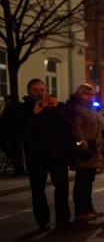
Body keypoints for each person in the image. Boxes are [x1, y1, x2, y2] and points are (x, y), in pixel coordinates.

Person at [21, 79, 74, 230]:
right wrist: (34, 113)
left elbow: (70, 122)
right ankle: (42, 221)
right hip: (36, 156)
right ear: (29, 91)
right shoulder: (24, 108)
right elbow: (21, 129)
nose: (39, 93)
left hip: (57, 155)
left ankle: (63, 220)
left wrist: (59, 107)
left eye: (42, 90)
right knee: (38, 189)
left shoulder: (56, 108)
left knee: (62, 188)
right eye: (35, 90)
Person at [68, 84, 104, 221]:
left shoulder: (92, 109)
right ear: (79, 94)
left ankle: (89, 208)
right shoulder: (78, 109)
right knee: (82, 182)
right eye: (86, 94)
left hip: (94, 150)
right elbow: (77, 131)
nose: (89, 97)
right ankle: (81, 211)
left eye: (91, 94)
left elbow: (101, 126)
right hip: (85, 151)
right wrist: (83, 147)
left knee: (89, 180)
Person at [0, 95, 26, 175]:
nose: (5, 102)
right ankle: (14, 159)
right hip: (14, 134)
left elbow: (3, 122)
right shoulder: (18, 107)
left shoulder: (10, 108)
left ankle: (14, 159)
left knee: (5, 144)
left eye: (6, 100)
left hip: (12, 134)